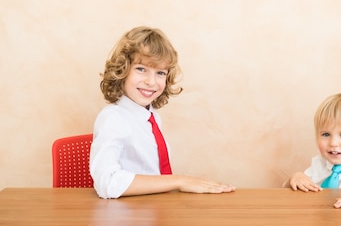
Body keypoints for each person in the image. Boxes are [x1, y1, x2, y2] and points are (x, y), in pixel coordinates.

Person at [90, 26, 236, 198]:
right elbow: (107, 183)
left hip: (153, 209)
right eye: (141, 69)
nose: (151, 81)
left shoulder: (152, 117)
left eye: (160, 73)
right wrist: (179, 181)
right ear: (123, 70)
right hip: (129, 218)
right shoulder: (113, 118)